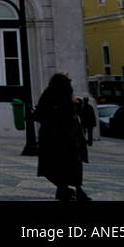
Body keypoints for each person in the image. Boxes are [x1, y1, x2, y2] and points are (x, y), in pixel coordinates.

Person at [34, 72, 89, 201]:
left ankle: (65, 190)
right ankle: (73, 190)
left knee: (56, 166)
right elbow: (72, 117)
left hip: (53, 138)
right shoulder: (66, 98)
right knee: (72, 165)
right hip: (67, 138)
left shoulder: (49, 94)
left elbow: (40, 114)